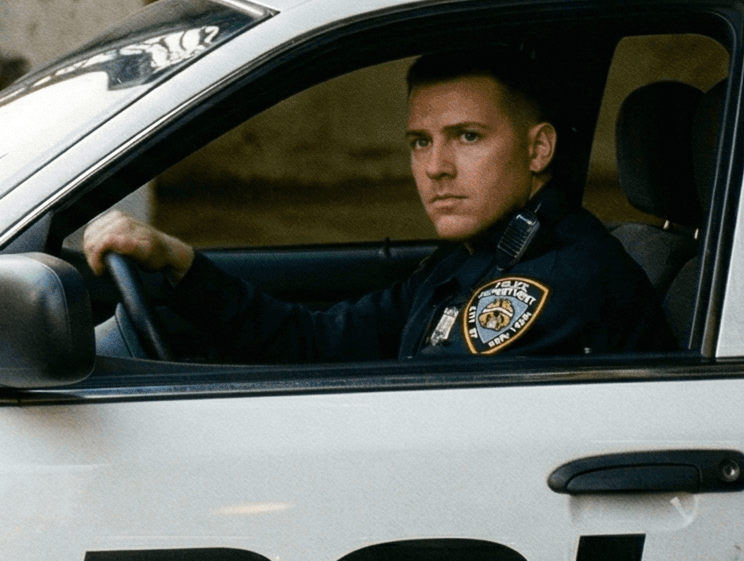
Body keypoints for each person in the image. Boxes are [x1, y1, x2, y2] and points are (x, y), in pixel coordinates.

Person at [83, 47, 674, 362]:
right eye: (421, 141)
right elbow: (317, 342)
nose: (436, 166)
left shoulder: (559, 282)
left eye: (467, 137)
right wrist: (180, 263)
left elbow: (421, 422)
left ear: (538, 148)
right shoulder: (471, 259)